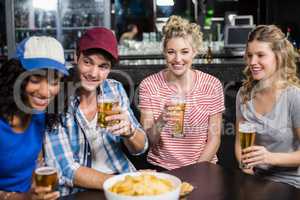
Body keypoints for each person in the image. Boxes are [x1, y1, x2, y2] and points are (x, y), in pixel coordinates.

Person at [43, 27, 148, 196]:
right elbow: (66, 168)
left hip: (122, 180)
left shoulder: (114, 89)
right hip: (80, 192)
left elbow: (141, 147)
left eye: (103, 66)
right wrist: (127, 181)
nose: (93, 73)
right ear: (76, 57)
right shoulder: (57, 95)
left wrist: (130, 133)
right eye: (87, 62)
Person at [139, 15, 225, 170]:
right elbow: (148, 141)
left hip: (202, 167)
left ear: (194, 52)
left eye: (184, 52)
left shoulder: (212, 85)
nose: (178, 59)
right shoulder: (148, 85)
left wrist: (195, 172)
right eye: (171, 52)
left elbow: (214, 139)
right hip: (161, 167)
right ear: (164, 52)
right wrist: (161, 120)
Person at [0, 36, 69, 199]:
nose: (46, 92)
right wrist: (22, 197)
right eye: (35, 79)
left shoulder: (39, 115)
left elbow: (36, 161)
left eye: (54, 82)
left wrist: (36, 190)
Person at [235, 25, 300, 188]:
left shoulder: (293, 96)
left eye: (260, 55)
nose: (252, 62)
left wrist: (269, 157)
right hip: (257, 178)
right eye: (249, 55)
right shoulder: (244, 94)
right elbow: (239, 144)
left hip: (291, 182)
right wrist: (247, 170)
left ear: (278, 56)